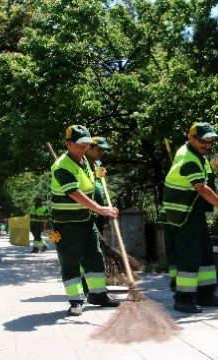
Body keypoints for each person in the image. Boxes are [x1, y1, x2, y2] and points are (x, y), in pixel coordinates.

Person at [162, 122, 218, 313]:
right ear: (190, 138)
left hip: (193, 213)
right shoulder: (188, 158)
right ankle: (183, 299)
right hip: (182, 215)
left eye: (210, 140)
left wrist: (213, 168)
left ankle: (205, 294)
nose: (207, 144)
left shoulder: (197, 155)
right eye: (203, 140)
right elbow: (202, 188)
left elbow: (204, 177)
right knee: (189, 256)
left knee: (205, 254)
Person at [50, 124, 121, 316]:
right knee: (70, 260)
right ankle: (75, 301)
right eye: (79, 144)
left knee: (94, 257)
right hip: (67, 225)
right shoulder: (62, 167)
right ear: (68, 143)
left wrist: (97, 178)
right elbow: (75, 193)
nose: (84, 148)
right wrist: (100, 208)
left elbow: (88, 186)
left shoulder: (83, 162)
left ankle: (98, 295)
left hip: (86, 221)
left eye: (86, 144)